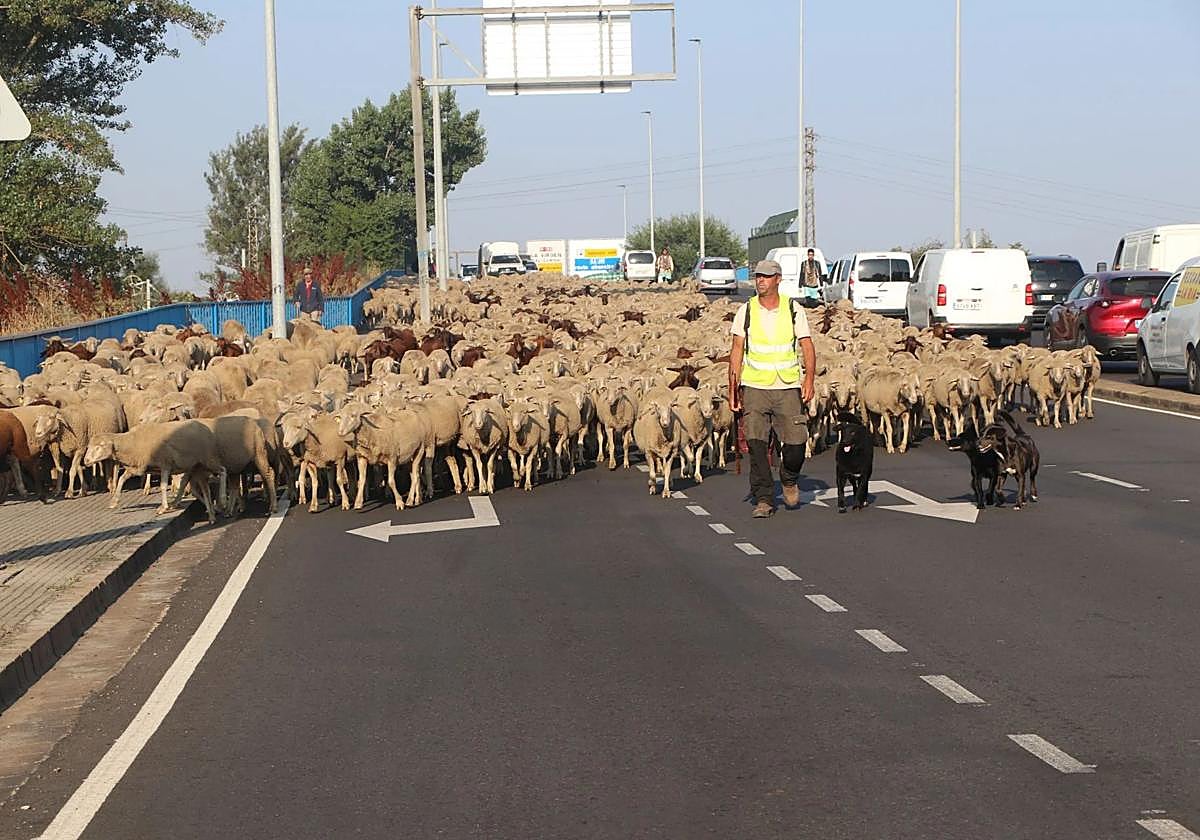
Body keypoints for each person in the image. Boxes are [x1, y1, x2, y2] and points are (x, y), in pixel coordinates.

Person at [728, 259, 818, 518]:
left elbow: (807, 345)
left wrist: (809, 379)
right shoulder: (746, 310)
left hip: (787, 385)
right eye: (758, 276)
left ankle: (789, 477)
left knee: (796, 442)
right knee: (756, 444)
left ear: (778, 279)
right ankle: (764, 497)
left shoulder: (793, 309)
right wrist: (733, 388)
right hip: (755, 385)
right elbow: (736, 350)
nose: (760, 281)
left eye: (766, 276)